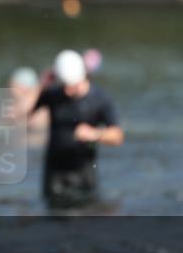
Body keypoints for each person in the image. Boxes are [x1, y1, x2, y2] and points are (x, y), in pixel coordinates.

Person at [32, 50, 124, 210]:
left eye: (72, 86)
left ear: (82, 77)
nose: (67, 91)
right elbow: (23, 116)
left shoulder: (100, 99)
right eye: (64, 85)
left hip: (83, 174)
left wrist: (94, 134)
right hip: (54, 174)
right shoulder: (53, 94)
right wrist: (42, 85)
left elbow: (118, 136)